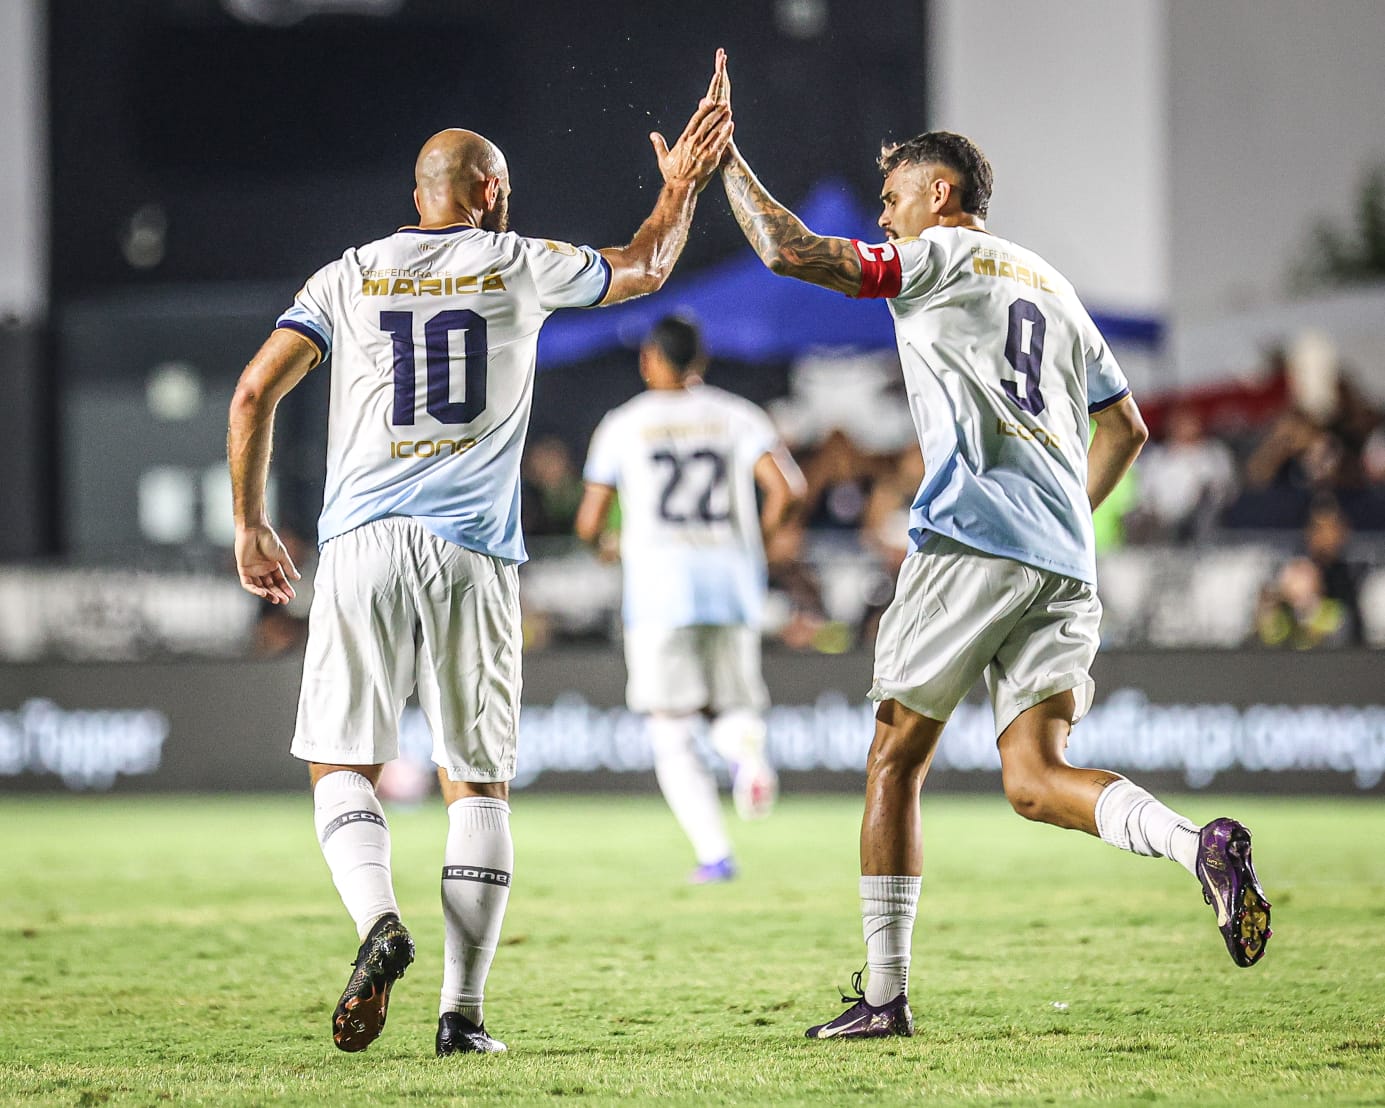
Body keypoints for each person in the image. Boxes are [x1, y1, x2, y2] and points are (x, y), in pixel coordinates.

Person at [707, 53, 1272, 1040]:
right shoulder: (1051, 284)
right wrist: (1059, 515)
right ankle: (1200, 846)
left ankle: (883, 997)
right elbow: (1124, 427)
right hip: (1060, 554)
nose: (883, 216)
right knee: (1032, 777)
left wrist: (724, 160)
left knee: (893, 757)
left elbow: (792, 251)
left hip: (968, 537)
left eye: (892, 197)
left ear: (942, 192)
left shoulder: (934, 257)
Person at [227, 62, 734, 1057]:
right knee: (478, 784)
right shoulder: (514, 262)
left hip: (363, 543)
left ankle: (378, 921)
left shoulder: (345, 274)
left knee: (343, 762)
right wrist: (679, 188)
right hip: (474, 555)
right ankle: (461, 1016)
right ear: (488, 191)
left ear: (418, 194)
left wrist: (249, 522)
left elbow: (252, 395)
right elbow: (642, 267)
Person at [574, 315, 805, 882]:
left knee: (671, 726)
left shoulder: (624, 424)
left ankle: (715, 855)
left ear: (652, 358)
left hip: (659, 591)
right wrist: (762, 544)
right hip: (730, 583)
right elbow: (788, 488)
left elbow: (588, 521)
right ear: (701, 361)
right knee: (732, 704)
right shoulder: (737, 415)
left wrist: (608, 545)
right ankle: (747, 757)